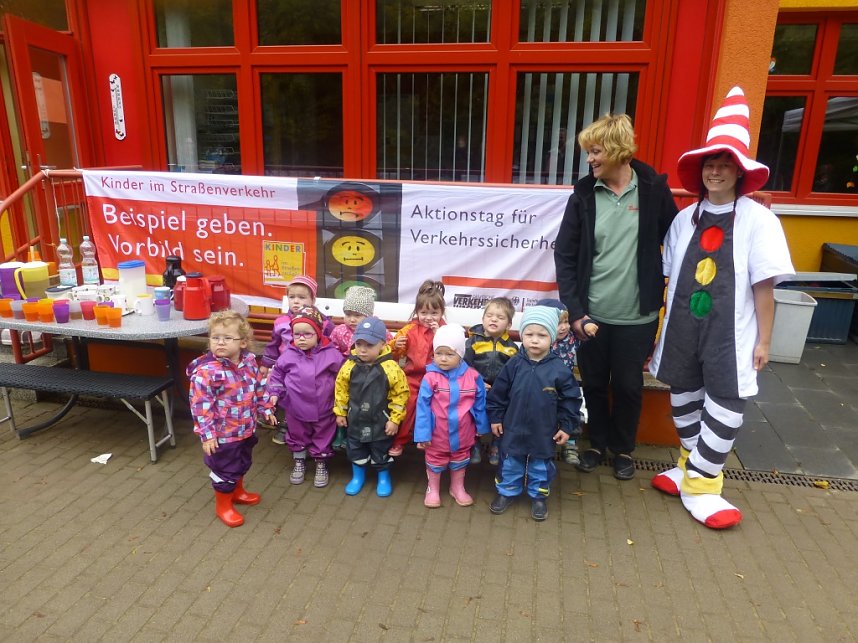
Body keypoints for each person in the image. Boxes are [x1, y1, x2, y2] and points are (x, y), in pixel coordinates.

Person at [648, 86, 795, 529]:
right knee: (682, 393)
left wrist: (765, 339)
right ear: (701, 171)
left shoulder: (759, 220)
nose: (716, 171)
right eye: (710, 164)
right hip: (682, 327)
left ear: (739, 172)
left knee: (727, 400)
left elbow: (764, 286)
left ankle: (704, 484)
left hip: (730, 331)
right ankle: (690, 464)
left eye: (724, 165)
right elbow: (669, 278)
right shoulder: (683, 218)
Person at [554, 112, 677, 480]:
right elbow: (565, 254)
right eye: (588, 152)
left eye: (595, 151)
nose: (589, 159)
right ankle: (596, 443)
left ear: (619, 150)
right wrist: (575, 312)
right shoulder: (584, 195)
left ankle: (623, 449)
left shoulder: (654, 189)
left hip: (637, 316)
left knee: (627, 386)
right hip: (591, 316)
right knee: (592, 382)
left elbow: (676, 238)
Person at [486, 306, 583, 522]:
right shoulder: (514, 364)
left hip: (544, 430)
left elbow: (571, 399)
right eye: (529, 334)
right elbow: (498, 394)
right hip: (513, 427)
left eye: (542, 335)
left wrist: (567, 426)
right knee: (511, 462)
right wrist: (495, 418)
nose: (535, 340)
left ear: (552, 337)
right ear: (522, 336)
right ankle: (506, 492)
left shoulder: (559, 369)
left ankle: (538, 496)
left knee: (541, 465)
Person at [187, 310, 275, 528]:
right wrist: (207, 435)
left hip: (245, 429)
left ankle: (238, 491)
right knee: (224, 468)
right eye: (215, 337)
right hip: (222, 435)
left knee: (242, 462)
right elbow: (200, 407)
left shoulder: (250, 362)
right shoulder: (207, 372)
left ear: (243, 342)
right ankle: (223, 505)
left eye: (227, 338)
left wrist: (266, 408)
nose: (220, 342)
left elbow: (259, 387)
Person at [267, 306, 345, 488]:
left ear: (318, 333)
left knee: (323, 435)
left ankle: (321, 462)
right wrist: (274, 394)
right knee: (297, 434)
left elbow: (343, 377)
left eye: (307, 334)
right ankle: (299, 460)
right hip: (295, 407)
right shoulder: (288, 355)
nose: (301, 338)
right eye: (297, 334)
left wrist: (342, 400)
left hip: (324, 408)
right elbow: (277, 375)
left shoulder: (331, 354)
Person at [414, 324, 490, 508]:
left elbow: (480, 401)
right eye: (439, 353)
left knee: (460, 457)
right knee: (435, 459)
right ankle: (432, 487)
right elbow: (422, 406)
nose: (443, 359)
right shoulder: (430, 377)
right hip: (437, 432)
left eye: (450, 354)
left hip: (464, 430)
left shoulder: (472, 376)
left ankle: (457, 487)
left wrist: (481, 426)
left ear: (461, 354)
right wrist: (423, 434)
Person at [334, 316, 410, 497]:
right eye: (359, 344)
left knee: (380, 449)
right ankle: (357, 476)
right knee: (355, 447)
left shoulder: (390, 367)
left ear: (382, 344)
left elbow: (401, 394)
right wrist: (341, 412)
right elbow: (340, 389)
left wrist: (394, 419)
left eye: (369, 345)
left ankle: (383, 477)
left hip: (380, 421)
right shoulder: (349, 365)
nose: (362, 349)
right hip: (356, 419)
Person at [260, 275, 335, 445]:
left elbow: (331, 343)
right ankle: (276, 417)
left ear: (313, 299)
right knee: (270, 383)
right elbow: (273, 345)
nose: (296, 301)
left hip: (313, 366)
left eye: (302, 297)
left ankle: (302, 425)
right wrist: (266, 364)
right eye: (292, 297)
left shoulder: (323, 322)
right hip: (285, 366)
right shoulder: (281, 322)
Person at [387, 279, 447, 456]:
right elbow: (394, 354)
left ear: (441, 312)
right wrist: (396, 344)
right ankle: (400, 440)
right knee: (408, 401)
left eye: (434, 312)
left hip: (438, 376)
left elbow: (452, 351)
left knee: (441, 404)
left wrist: (439, 334)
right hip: (412, 377)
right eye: (424, 312)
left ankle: (433, 442)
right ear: (417, 312)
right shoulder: (409, 329)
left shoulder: (445, 330)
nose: (429, 317)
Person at [535, 298, 596, 466]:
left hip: (566, 386)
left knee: (572, 412)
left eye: (565, 322)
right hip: (543, 386)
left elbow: (587, 334)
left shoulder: (571, 338)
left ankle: (570, 444)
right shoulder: (538, 340)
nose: (563, 327)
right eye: (557, 323)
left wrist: (587, 325)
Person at [463, 296, 518, 466]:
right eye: (490, 315)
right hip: (477, 388)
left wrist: (503, 387)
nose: (494, 319)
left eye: (500, 317)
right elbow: (465, 366)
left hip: (501, 390)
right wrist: (477, 381)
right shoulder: (473, 342)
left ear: (508, 325)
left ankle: (496, 443)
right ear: (483, 318)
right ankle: (474, 444)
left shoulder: (511, 348)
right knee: (470, 411)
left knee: (505, 410)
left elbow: (514, 372)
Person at [330, 285, 378, 450]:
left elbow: (385, 348)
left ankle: (356, 433)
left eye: (357, 315)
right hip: (345, 372)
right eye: (348, 314)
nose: (351, 319)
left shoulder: (375, 329)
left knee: (360, 403)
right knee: (341, 399)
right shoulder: (339, 331)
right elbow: (332, 349)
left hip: (368, 373)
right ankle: (340, 431)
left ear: (368, 315)